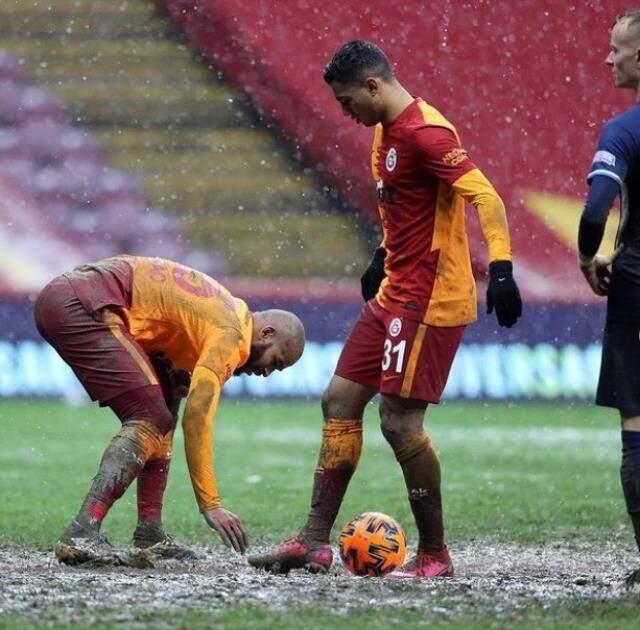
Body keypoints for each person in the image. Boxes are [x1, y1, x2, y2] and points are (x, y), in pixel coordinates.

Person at [248, 40, 522, 577]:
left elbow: (486, 197)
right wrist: (380, 254)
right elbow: (405, 208)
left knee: (398, 421)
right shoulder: (384, 135)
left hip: (430, 299)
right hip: (395, 289)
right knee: (339, 400)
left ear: (373, 86)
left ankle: (435, 553)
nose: (344, 112)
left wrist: (504, 268)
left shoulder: (427, 133)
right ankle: (312, 541)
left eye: (348, 101)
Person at [34, 255, 305, 565]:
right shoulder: (233, 336)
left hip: (77, 296)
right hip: (84, 303)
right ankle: (82, 531)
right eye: (276, 362)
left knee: (164, 412)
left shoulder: (225, 313)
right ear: (267, 333)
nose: (267, 373)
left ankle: (149, 534)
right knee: (150, 418)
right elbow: (198, 418)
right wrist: (211, 504)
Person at [577, 9, 640, 586]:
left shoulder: (624, 130)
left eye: (617, 48)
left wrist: (586, 255)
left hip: (637, 295)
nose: (607, 57)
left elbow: (598, 208)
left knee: (638, 428)